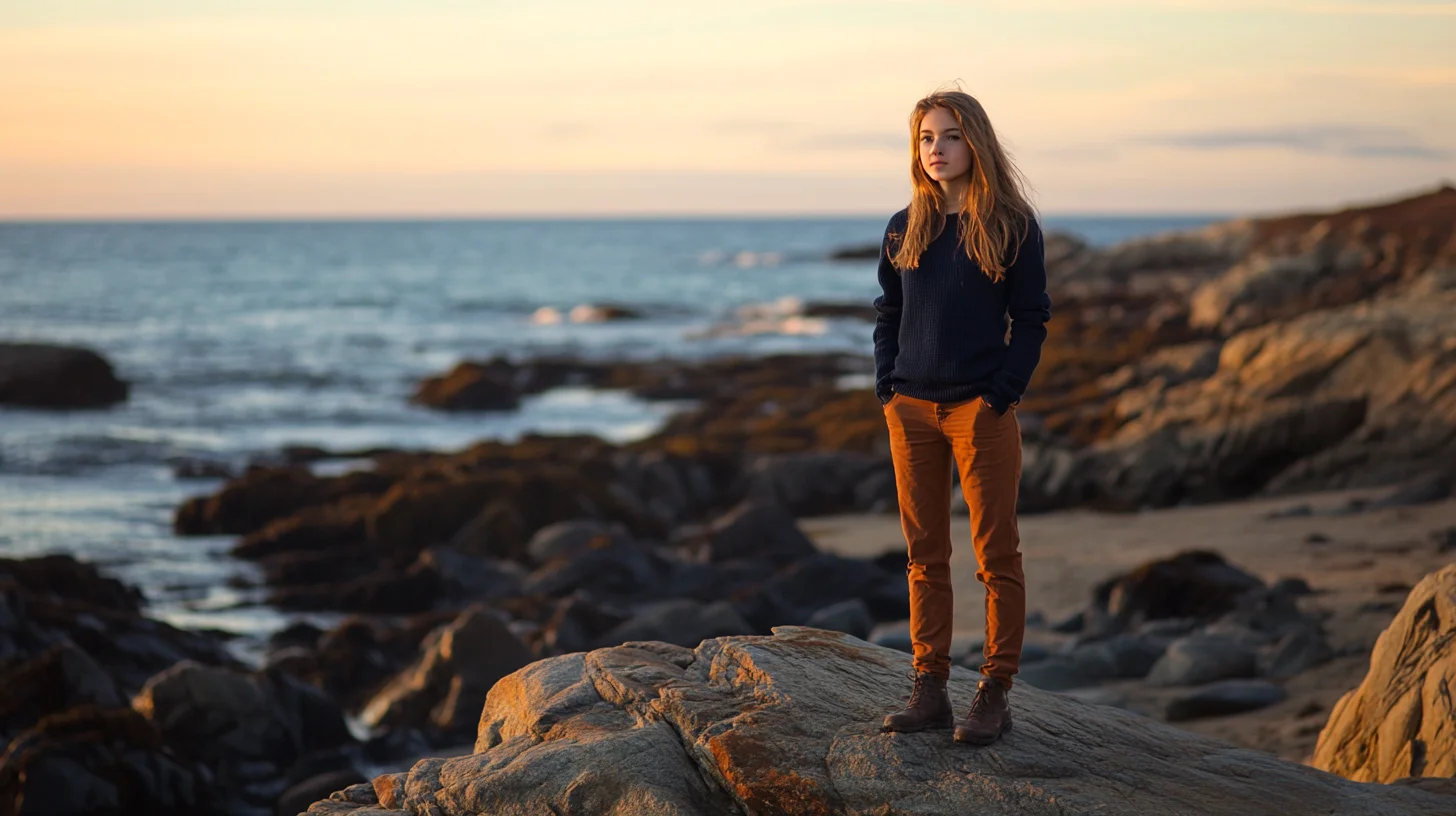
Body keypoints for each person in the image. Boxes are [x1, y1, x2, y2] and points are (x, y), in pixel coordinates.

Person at [873, 89, 1050, 746]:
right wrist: (886, 387)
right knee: (924, 556)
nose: (937, 149)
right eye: (925, 138)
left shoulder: (1011, 225)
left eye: (949, 136)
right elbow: (888, 313)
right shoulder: (903, 226)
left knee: (996, 556)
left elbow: (1032, 319)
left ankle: (994, 693)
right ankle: (929, 690)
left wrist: (1002, 394)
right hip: (911, 410)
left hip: (980, 408)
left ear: (975, 141)